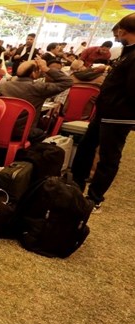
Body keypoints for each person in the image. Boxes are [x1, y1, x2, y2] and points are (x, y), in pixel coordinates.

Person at [72, 13, 135, 212]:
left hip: (119, 116)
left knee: (108, 157)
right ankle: (75, 187)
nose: (116, 38)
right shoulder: (127, 52)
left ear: (122, 31)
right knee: (85, 148)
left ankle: (95, 198)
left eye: (117, 34)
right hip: (105, 111)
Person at [0, 58, 73, 143]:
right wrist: (46, 69)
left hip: (0, 128)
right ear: (34, 73)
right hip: (22, 133)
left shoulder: (5, 85)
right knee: (43, 133)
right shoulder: (38, 87)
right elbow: (68, 82)